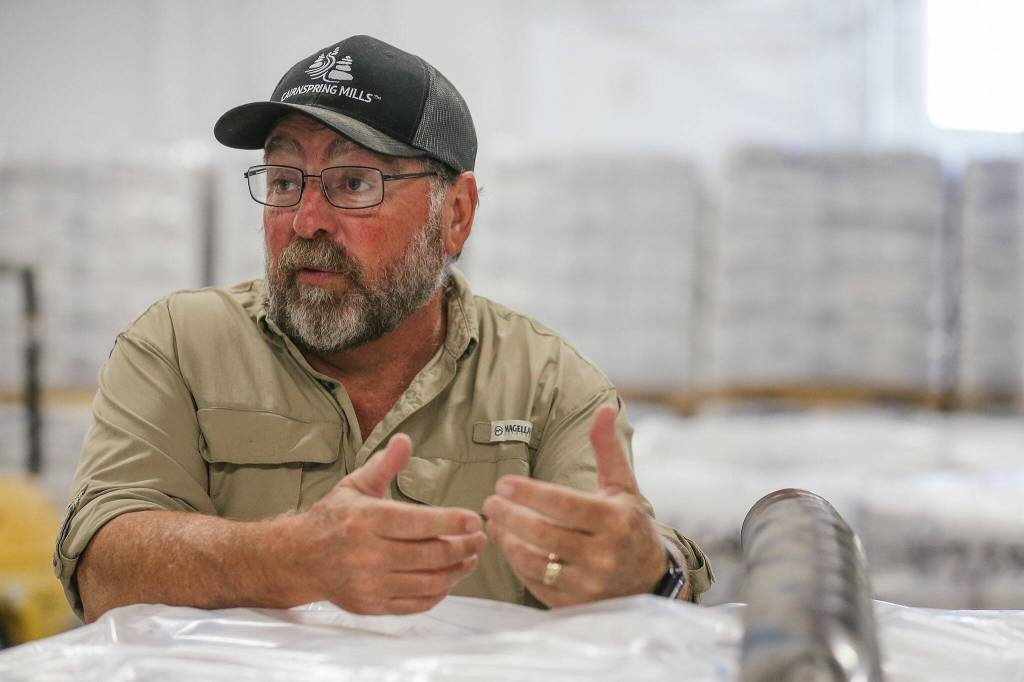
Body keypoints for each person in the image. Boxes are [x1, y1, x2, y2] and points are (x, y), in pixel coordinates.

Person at [54, 34, 712, 622]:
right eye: (285, 180)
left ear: (455, 213)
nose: (305, 220)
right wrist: (296, 557)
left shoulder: (545, 384)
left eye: (354, 182)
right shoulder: (177, 346)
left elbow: (625, 559)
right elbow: (102, 567)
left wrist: (649, 573)